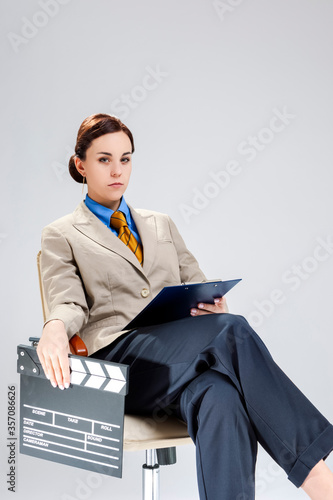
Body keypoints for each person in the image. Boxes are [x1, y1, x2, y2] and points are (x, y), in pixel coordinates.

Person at [37, 113, 333, 500]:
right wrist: (55, 326)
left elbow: (196, 282)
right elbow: (67, 299)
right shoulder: (61, 234)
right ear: (81, 164)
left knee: (220, 395)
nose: (117, 170)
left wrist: (214, 303)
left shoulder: (160, 224)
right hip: (124, 364)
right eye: (104, 159)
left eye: (125, 159)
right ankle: (321, 482)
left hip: (180, 357)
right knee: (232, 330)